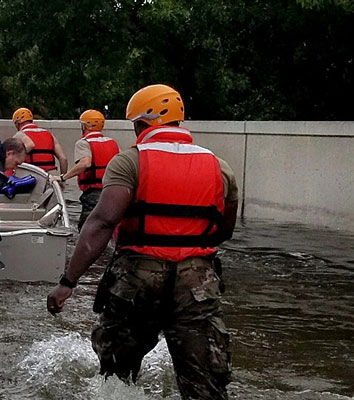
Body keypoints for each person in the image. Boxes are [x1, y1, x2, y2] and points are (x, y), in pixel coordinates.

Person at [46, 84, 240, 400]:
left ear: (140, 124)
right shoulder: (219, 167)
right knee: (205, 384)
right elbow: (223, 231)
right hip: (198, 282)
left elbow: (101, 223)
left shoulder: (130, 162)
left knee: (117, 377)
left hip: (137, 277)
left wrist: (68, 281)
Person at [50, 110, 120, 230]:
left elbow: (85, 163)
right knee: (108, 226)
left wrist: (63, 177)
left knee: (87, 228)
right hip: (111, 190)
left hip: (94, 192)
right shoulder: (112, 142)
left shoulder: (83, 143)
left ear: (84, 126)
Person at [11, 107, 67, 175]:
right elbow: (63, 159)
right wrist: (62, 178)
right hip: (51, 174)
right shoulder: (49, 134)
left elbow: (30, 146)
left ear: (17, 123)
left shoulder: (20, 135)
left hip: (32, 173)